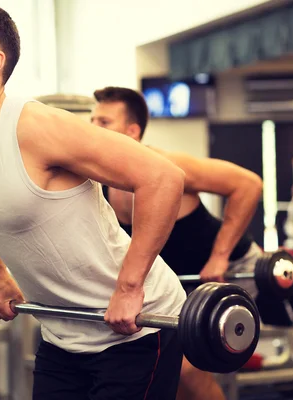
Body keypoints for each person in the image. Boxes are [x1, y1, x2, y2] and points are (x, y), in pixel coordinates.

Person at [0, 1, 188, 399]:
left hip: (136, 329)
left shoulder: (38, 127)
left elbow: (163, 178)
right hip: (63, 334)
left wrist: (131, 286)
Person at [91, 86, 264, 400]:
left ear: (132, 132)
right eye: (92, 120)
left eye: (104, 122)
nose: (93, 129)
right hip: (181, 283)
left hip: (233, 270)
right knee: (169, 370)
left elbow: (248, 185)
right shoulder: (100, 179)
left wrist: (220, 256)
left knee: (185, 367)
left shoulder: (167, 166)